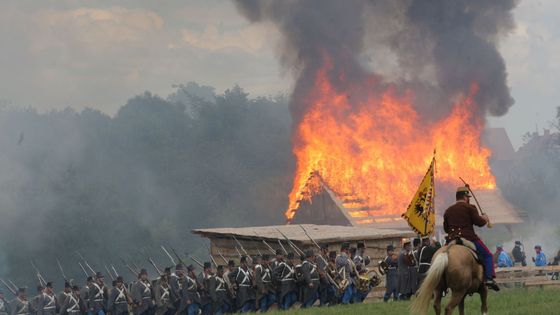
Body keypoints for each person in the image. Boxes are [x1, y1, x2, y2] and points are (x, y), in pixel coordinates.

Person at [443, 186, 499, 291]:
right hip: (469, 238)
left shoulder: (448, 210)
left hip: (451, 239)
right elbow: (480, 222)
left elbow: (446, 229)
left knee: (441, 256)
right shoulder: (470, 208)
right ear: (465, 197)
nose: (468, 199)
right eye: (467, 197)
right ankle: (489, 279)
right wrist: (485, 218)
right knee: (488, 255)